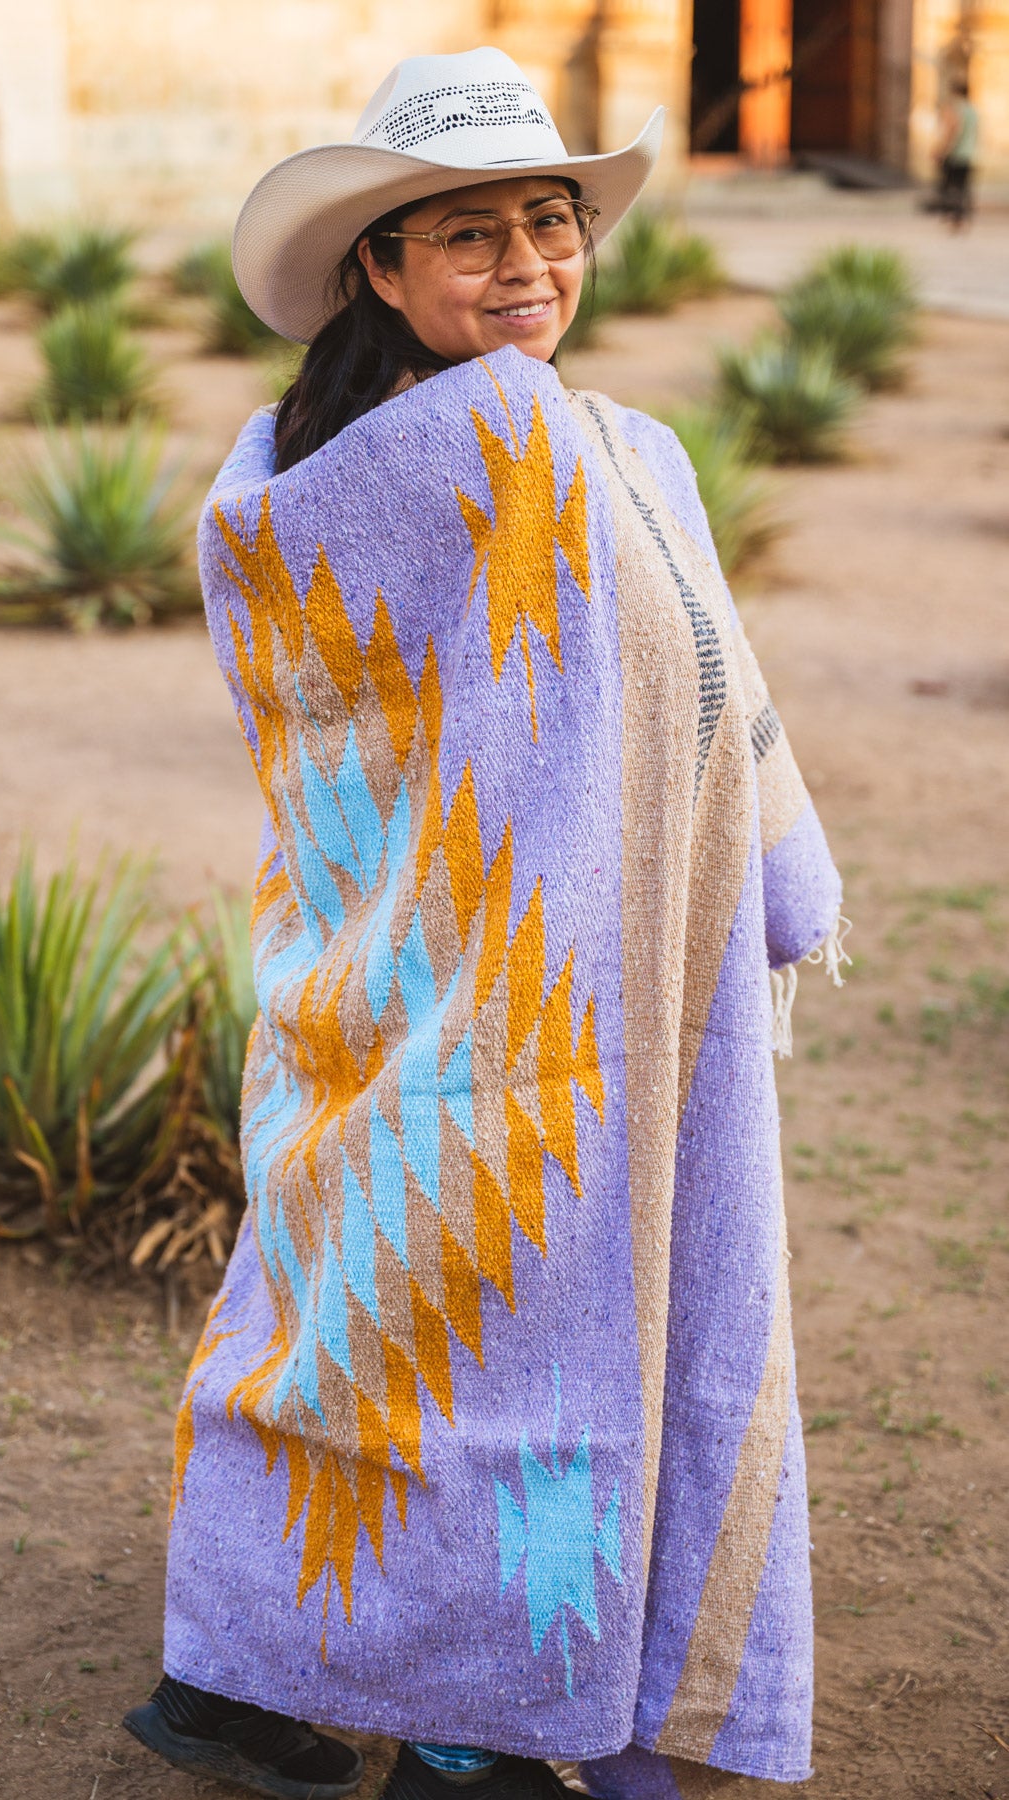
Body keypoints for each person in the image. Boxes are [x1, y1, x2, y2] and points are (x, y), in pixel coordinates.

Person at [124, 46, 847, 1800]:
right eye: (467, 234)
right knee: (512, 1336)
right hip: (519, 990)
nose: (527, 263)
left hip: (444, 979)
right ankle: (486, 1708)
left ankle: (264, 1669)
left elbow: (682, 690)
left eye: (551, 221)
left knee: (356, 1314)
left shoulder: (586, 444)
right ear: (377, 265)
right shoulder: (504, 437)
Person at [937, 80, 978, 228]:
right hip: (969, 153)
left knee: (950, 186)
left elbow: (953, 131)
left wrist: (942, 150)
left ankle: (954, 216)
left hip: (956, 154)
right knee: (963, 186)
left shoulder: (956, 109)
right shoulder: (973, 111)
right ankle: (962, 215)